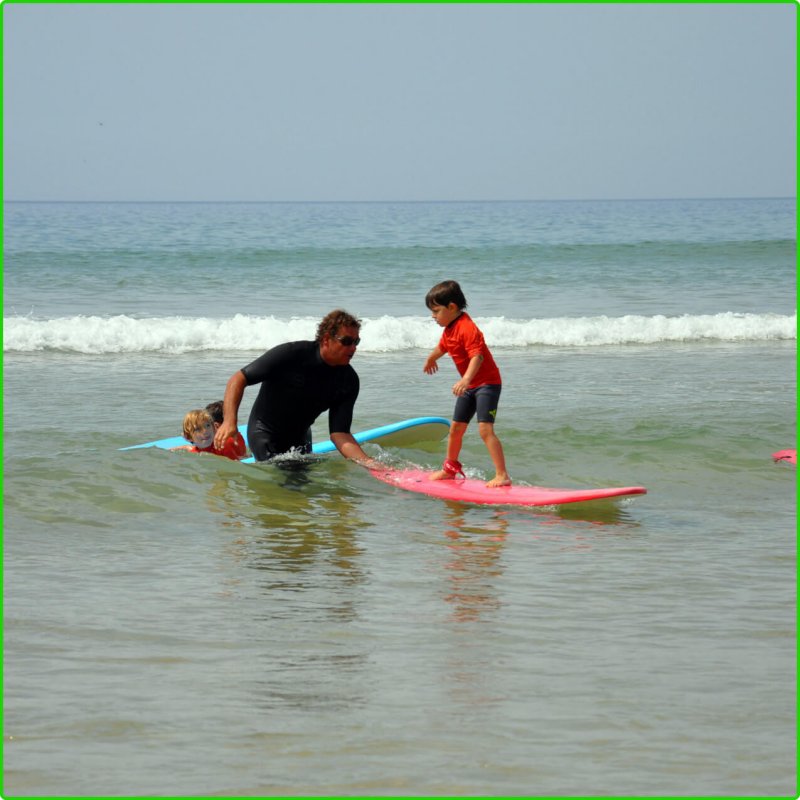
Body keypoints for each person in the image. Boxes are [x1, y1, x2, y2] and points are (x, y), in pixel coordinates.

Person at [213, 309, 382, 469]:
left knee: (306, 486)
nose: (353, 348)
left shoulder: (348, 381)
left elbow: (340, 433)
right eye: (346, 341)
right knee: (288, 485)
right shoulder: (291, 354)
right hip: (265, 433)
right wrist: (229, 421)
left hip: (301, 437)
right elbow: (238, 379)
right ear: (326, 339)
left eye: (356, 341)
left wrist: (369, 463)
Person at [422, 280, 511, 488]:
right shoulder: (450, 329)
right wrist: (431, 358)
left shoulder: (467, 328)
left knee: (485, 430)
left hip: (487, 384)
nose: (433, 316)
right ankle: (449, 469)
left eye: (436, 311)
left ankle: (502, 475)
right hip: (469, 386)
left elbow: (477, 357)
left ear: (452, 307)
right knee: (456, 429)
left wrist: (465, 379)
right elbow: (442, 347)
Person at [174, 408, 247, 461]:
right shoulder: (193, 454)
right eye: (198, 429)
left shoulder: (222, 447)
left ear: (214, 428)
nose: (205, 431)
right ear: (188, 437)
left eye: (208, 426)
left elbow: (235, 464)